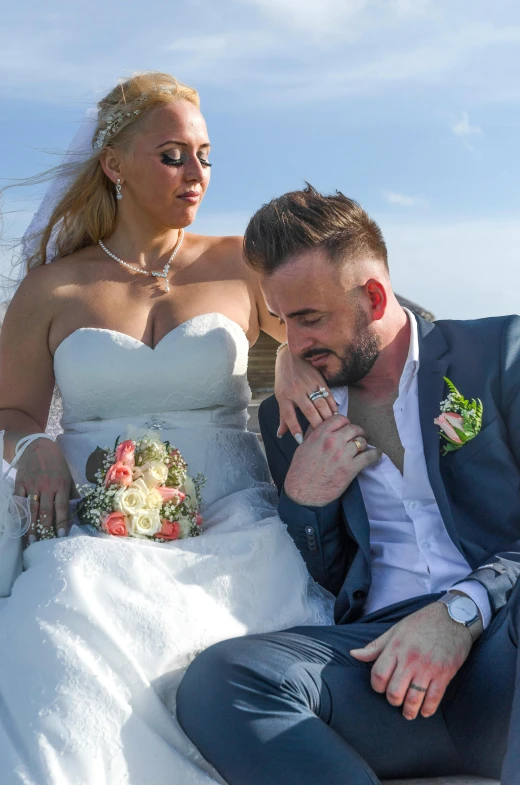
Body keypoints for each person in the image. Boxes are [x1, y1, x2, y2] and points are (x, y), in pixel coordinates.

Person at [0, 76, 336, 784]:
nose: (197, 174)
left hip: (234, 516)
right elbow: (14, 412)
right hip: (95, 523)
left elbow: (319, 331)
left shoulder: (244, 262)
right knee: (62, 606)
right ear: (115, 165)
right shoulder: (50, 288)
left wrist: (285, 363)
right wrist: (34, 448)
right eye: (174, 155)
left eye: (206, 155)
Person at [177, 185, 520, 785]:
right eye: (281, 322)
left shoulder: (497, 354)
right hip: (378, 666)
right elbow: (329, 576)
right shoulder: (287, 421)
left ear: (375, 296)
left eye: (309, 319)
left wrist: (461, 610)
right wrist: (305, 501)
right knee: (219, 679)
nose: (294, 343)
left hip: (501, 638)